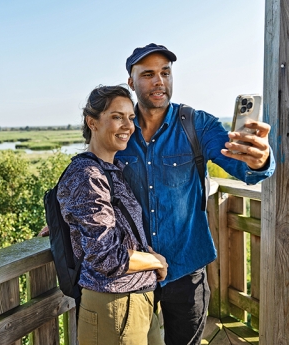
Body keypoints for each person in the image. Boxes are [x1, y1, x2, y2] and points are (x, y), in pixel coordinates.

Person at [115, 43, 276, 345]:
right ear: (131, 82)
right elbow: (91, 170)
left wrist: (259, 159)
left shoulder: (197, 124)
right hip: (133, 270)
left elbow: (244, 169)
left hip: (186, 267)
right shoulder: (119, 127)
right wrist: (66, 211)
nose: (159, 81)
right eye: (148, 74)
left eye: (165, 72)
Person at [57, 85, 168, 345]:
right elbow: (106, 257)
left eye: (130, 118)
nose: (128, 126)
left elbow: (107, 227)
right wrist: (156, 262)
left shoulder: (110, 170)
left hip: (138, 298)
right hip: (115, 305)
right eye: (117, 117)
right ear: (92, 122)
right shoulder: (88, 175)